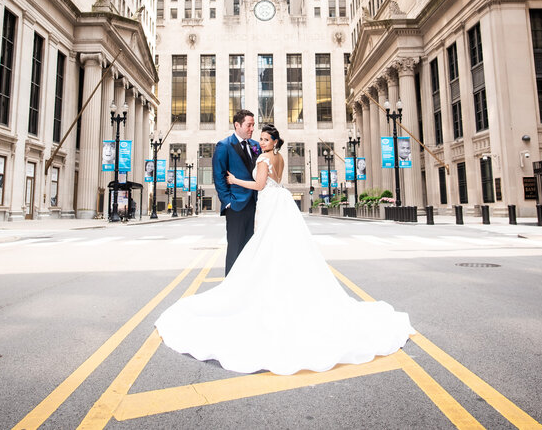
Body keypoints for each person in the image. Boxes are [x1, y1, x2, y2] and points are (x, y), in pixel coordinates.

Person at [155, 123, 413, 376]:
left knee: (266, 243)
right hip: (278, 200)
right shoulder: (279, 158)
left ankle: (267, 285)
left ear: (274, 142)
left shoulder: (263, 159)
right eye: (261, 139)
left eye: (266, 139)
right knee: (276, 242)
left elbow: (258, 185)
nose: (261, 142)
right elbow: (274, 182)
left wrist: (235, 179)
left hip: (268, 201)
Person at [211, 109, 258, 275]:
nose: (252, 128)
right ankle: (230, 288)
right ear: (237, 125)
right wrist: (228, 201)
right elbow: (219, 176)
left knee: (251, 248)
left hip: (255, 205)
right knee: (235, 250)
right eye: (249, 125)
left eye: (253, 125)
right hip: (236, 206)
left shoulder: (256, 146)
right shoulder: (224, 146)